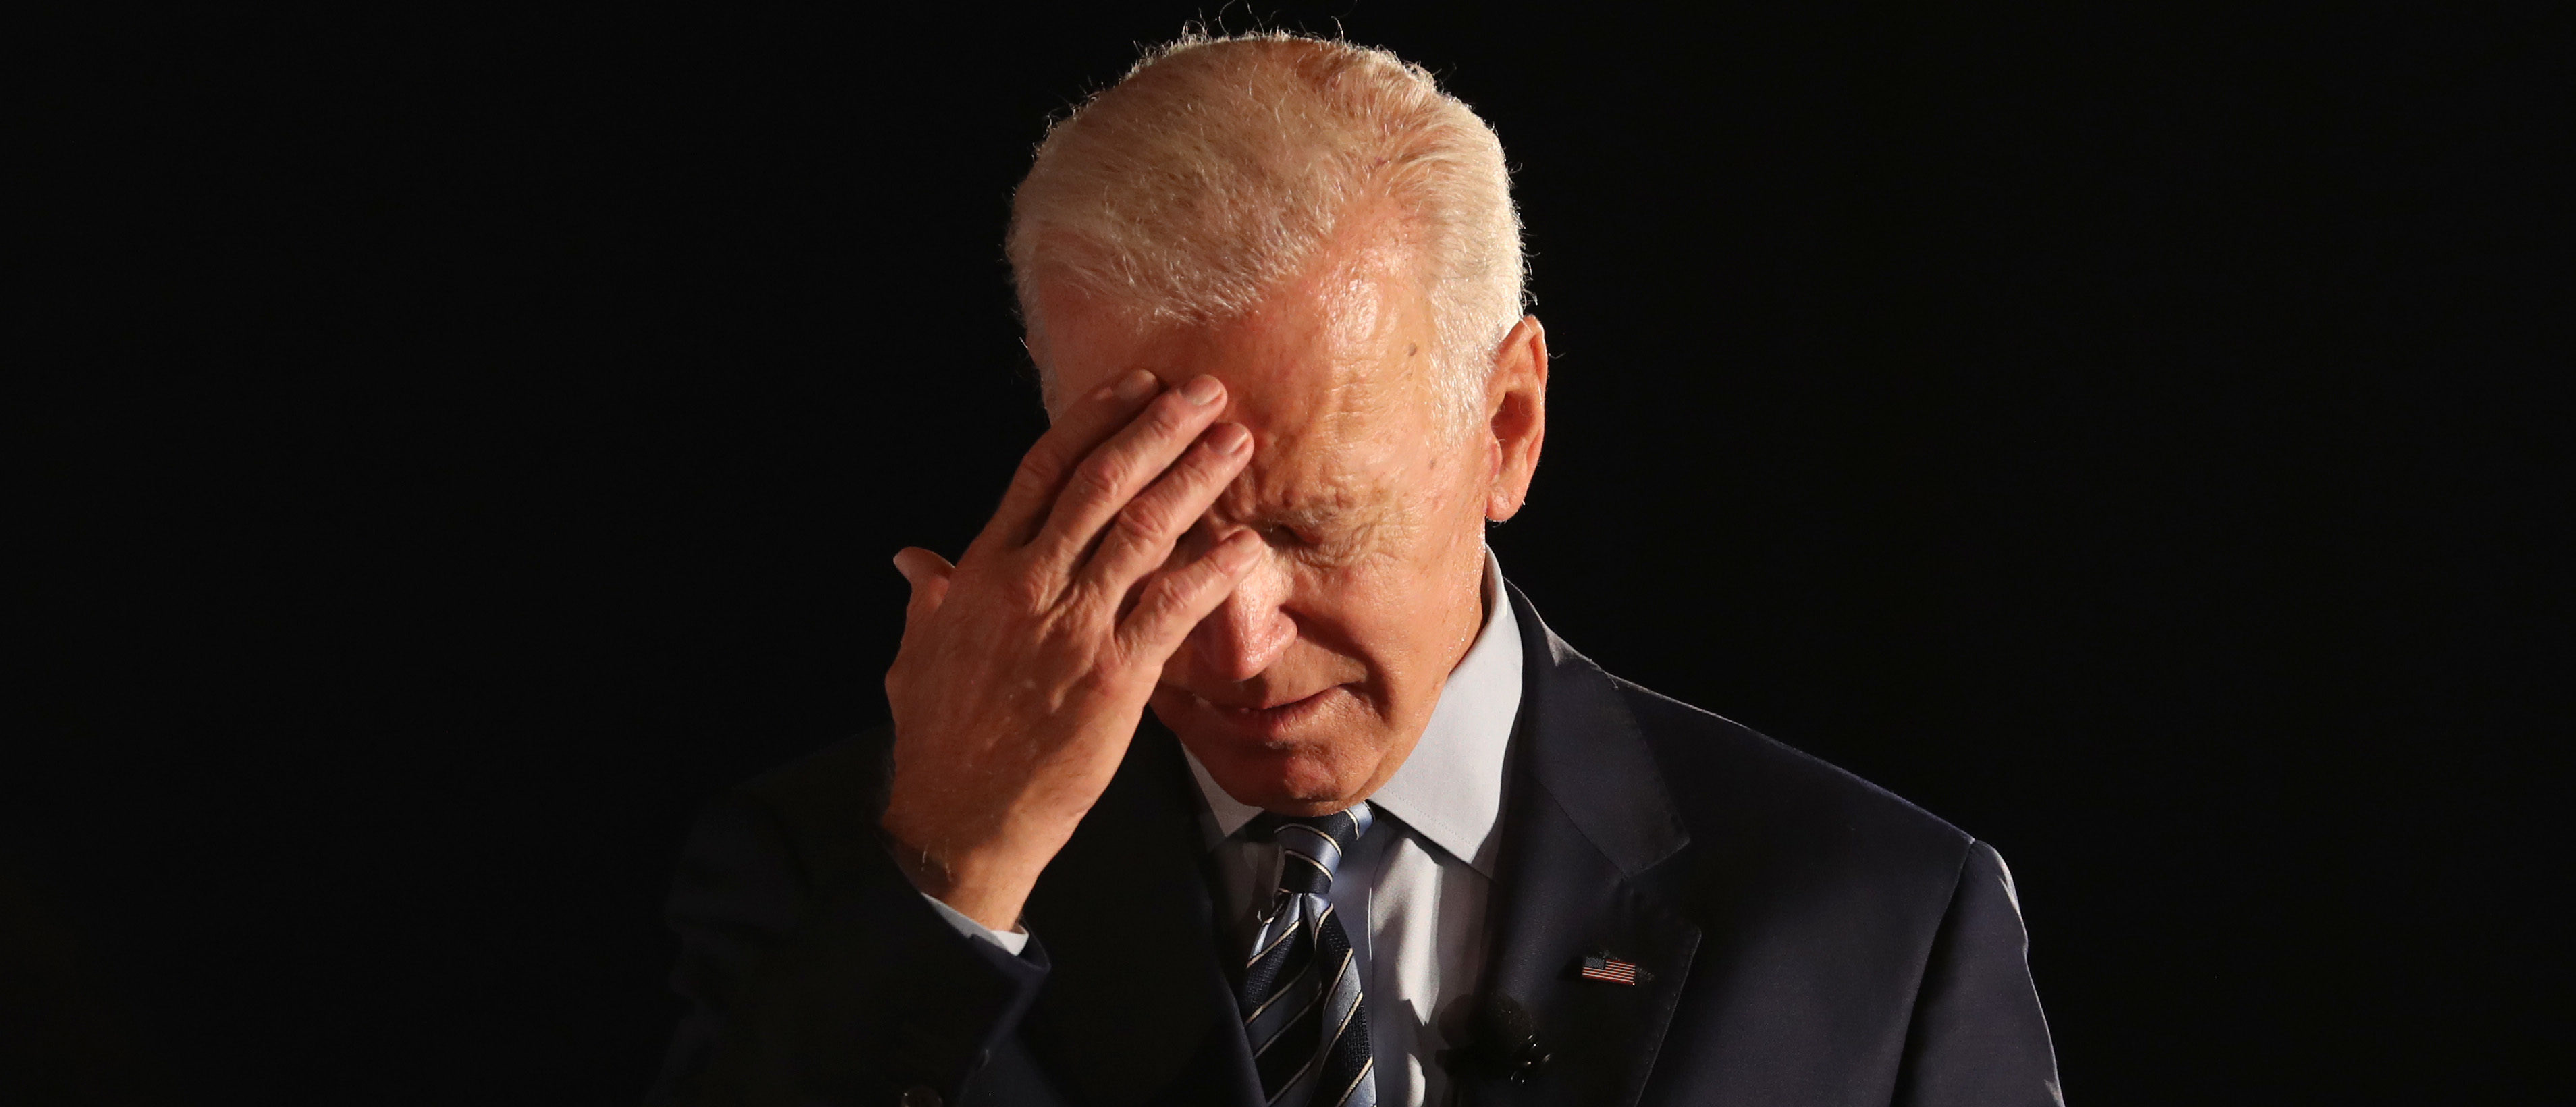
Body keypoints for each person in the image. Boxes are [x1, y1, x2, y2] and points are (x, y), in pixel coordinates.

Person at [647, 32, 2060, 1107]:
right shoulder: (825, 877)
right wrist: (952, 881)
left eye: (1319, 526)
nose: (1237, 644)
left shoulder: (1883, 924)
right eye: (1161, 522)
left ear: (1508, 427)